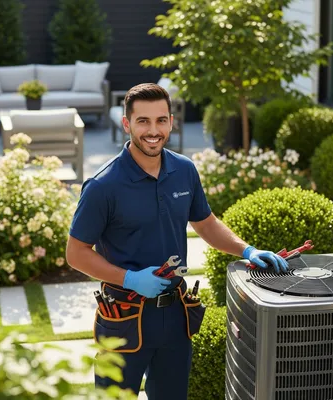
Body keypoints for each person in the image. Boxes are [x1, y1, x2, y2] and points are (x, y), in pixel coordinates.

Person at [66, 83, 288, 400]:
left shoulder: (184, 170)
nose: (153, 130)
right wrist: (129, 278)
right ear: (126, 124)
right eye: (143, 121)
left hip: (176, 317)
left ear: (171, 121)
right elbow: (76, 254)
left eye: (160, 120)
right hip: (124, 317)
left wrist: (247, 250)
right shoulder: (103, 185)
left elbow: (206, 223)